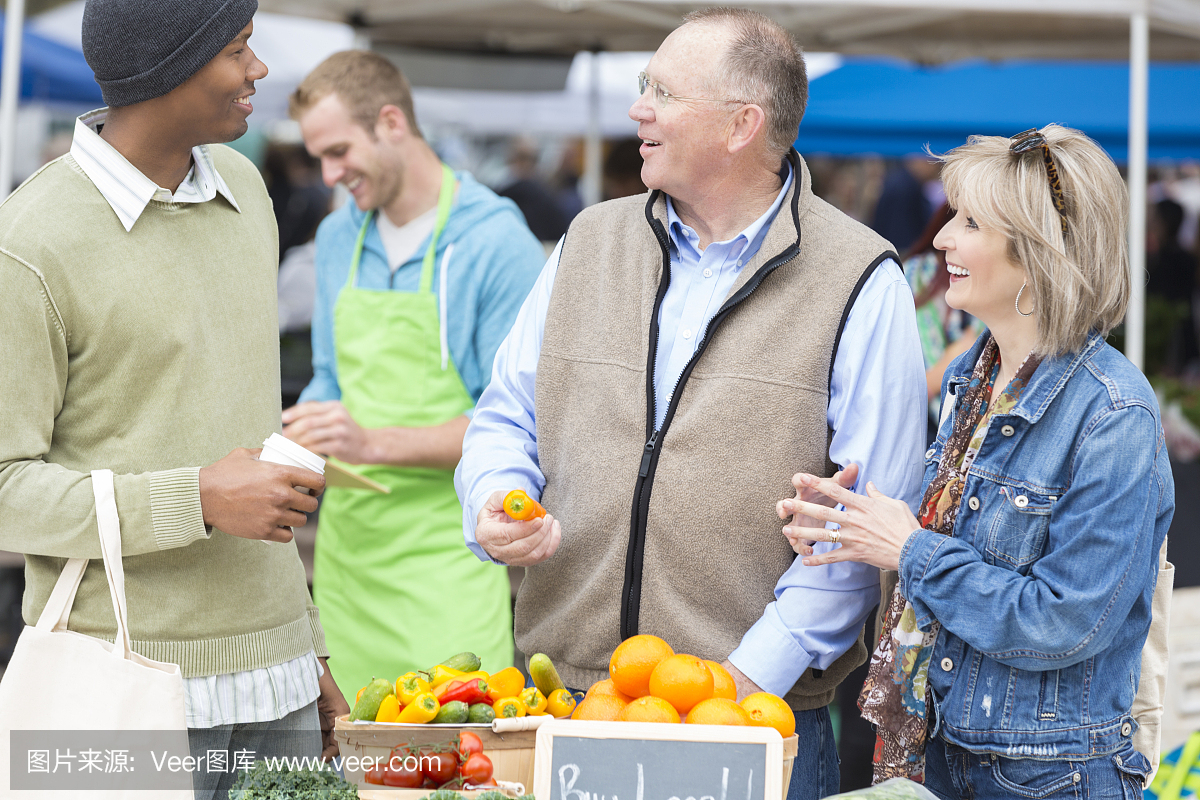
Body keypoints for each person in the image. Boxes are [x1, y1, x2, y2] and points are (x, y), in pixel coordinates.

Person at [455, 9, 927, 799]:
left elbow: (864, 518)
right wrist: (492, 500)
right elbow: (506, 412)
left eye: (663, 92)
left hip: (754, 720)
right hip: (567, 702)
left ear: (742, 125)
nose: (638, 109)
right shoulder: (587, 241)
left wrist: (738, 685)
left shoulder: (860, 278)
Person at [0, 2, 348, 797]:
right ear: (169, 69)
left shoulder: (247, 190)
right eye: (237, 49)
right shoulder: (29, 242)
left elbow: (254, 442)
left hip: (281, 687)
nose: (258, 70)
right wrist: (193, 498)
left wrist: (309, 645)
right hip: (119, 686)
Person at [784, 125, 1172, 799]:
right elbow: (960, 550)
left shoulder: (1114, 416)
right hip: (948, 755)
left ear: (1039, 250)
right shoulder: (976, 375)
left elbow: (1064, 621)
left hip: (1049, 777)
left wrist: (910, 549)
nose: (941, 239)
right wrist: (853, 528)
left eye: (970, 223)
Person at [283, 51, 545, 700]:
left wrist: (370, 443)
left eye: (340, 150)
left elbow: (516, 423)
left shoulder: (495, 241)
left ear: (392, 122)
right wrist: (295, 439)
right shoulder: (338, 236)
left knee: (457, 776)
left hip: (449, 563)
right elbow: (327, 377)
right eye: (318, 156)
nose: (329, 173)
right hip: (347, 565)